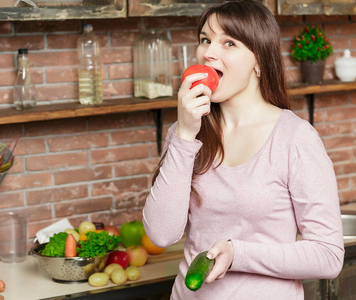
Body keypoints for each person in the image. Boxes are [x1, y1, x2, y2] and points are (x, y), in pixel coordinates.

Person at [142, 0, 345, 299]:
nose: (209, 52)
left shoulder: (295, 139)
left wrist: (238, 254)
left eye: (229, 43)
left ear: (259, 61)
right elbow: (161, 234)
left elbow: (328, 256)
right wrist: (184, 134)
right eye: (205, 40)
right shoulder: (187, 132)